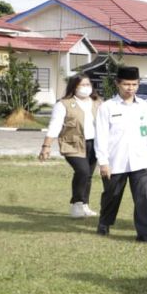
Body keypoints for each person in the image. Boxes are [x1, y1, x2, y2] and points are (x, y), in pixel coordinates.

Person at [93, 66, 147, 242]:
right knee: (111, 196)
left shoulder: (145, 107)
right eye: (126, 84)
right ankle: (104, 222)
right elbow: (101, 136)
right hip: (116, 160)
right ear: (117, 84)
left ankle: (145, 234)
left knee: (145, 198)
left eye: (134, 84)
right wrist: (103, 161)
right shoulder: (107, 107)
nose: (130, 88)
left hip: (142, 160)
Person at [39, 73, 101, 218]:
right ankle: (76, 204)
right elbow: (55, 125)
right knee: (83, 171)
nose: (86, 88)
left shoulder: (98, 102)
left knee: (89, 176)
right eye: (82, 85)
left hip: (94, 143)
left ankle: (85, 204)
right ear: (74, 87)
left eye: (88, 84)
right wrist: (46, 146)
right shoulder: (63, 104)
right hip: (72, 144)